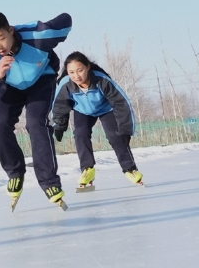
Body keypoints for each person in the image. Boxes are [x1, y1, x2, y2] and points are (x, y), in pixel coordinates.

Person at [0, 11, 73, 210]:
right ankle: (15, 173)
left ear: (11, 30)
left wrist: (43, 28)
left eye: (1, 38)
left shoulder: (36, 35)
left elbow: (66, 21)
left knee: (36, 124)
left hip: (41, 80)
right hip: (9, 85)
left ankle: (49, 182)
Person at [49, 51, 144, 191]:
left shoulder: (102, 80)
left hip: (106, 109)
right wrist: (59, 125)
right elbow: (60, 106)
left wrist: (125, 129)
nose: (76, 76)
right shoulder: (66, 85)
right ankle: (87, 169)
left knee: (115, 135)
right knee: (80, 133)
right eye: (72, 72)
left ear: (88, 67)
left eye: (80, 70)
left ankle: (130, 168)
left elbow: (122, 103)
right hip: (82, 111)